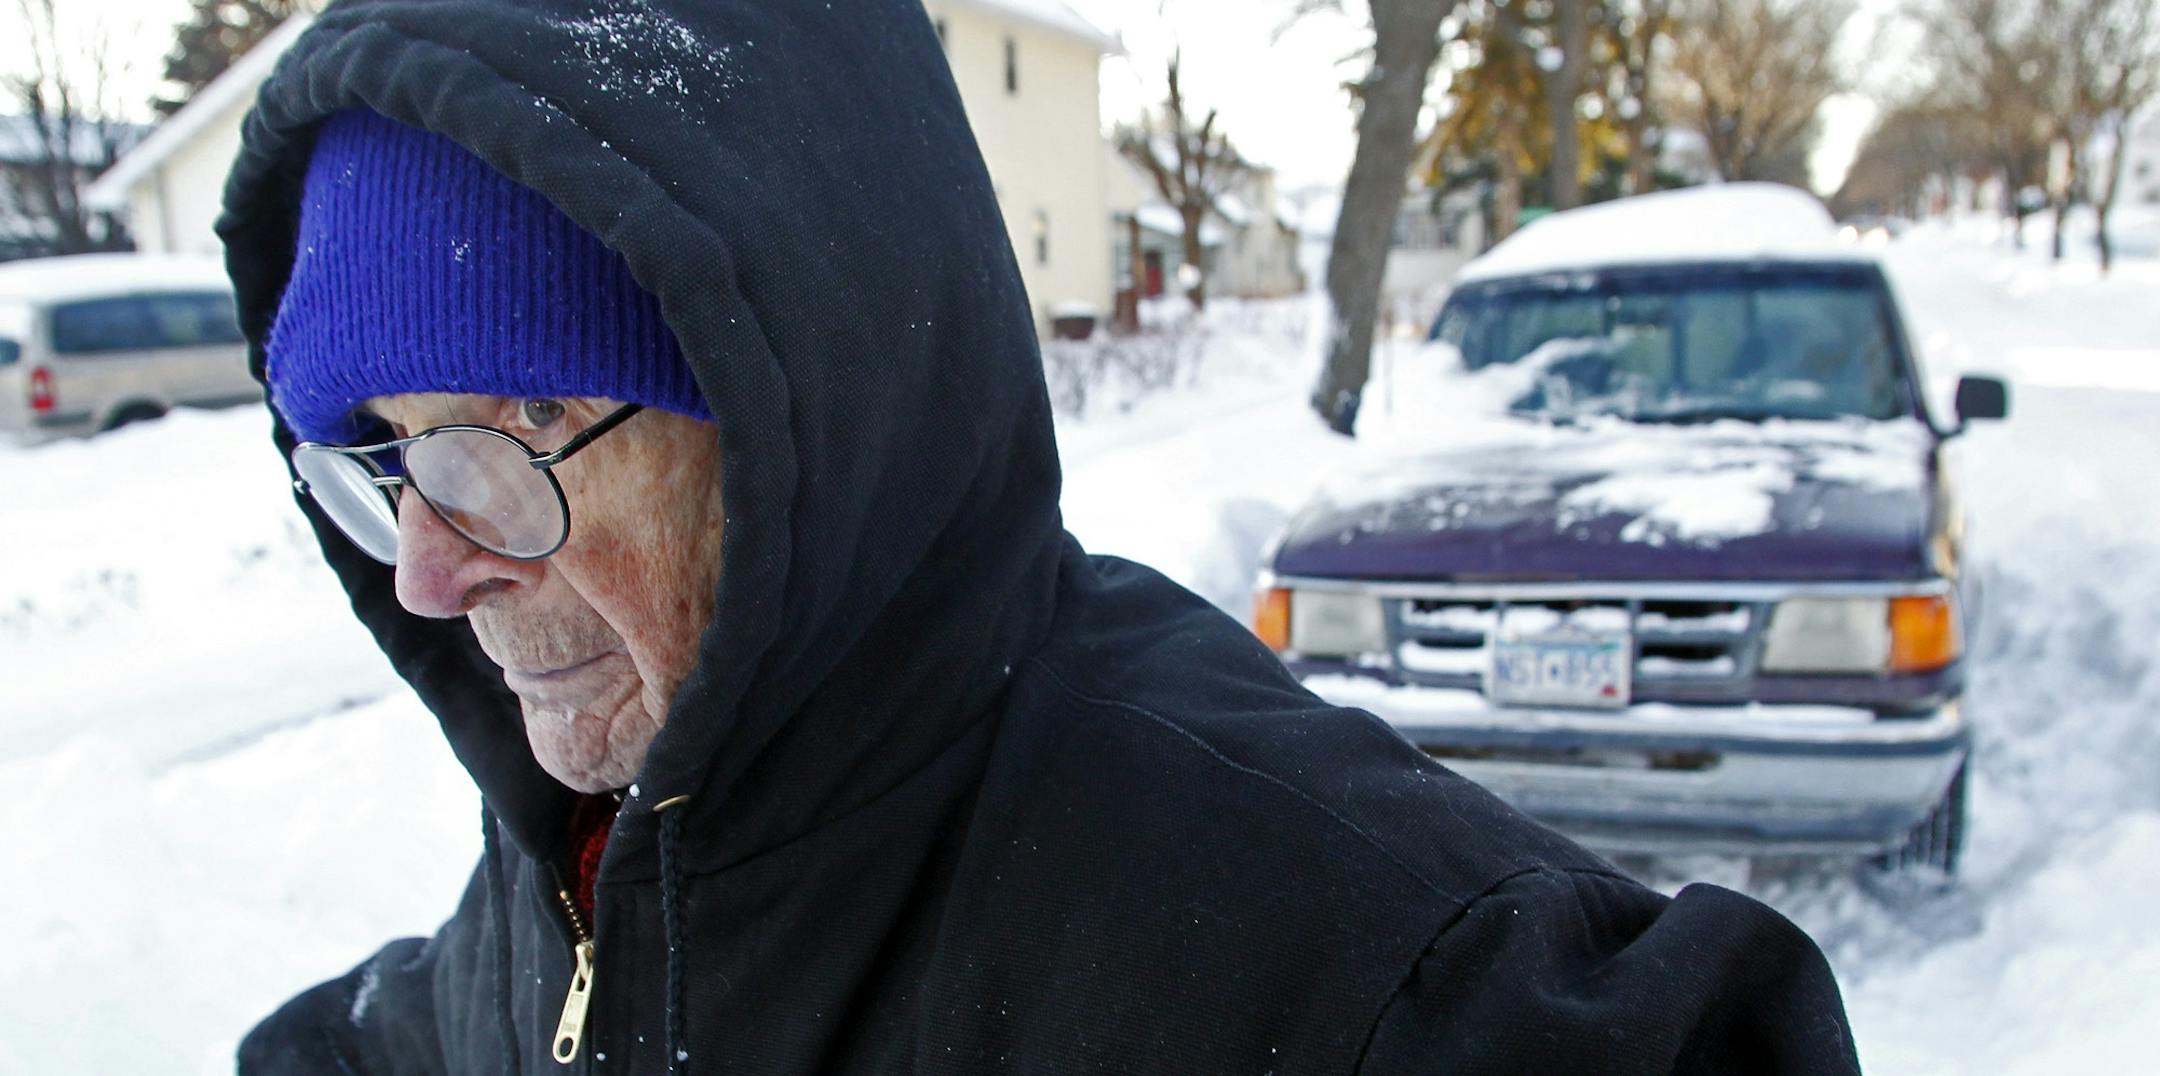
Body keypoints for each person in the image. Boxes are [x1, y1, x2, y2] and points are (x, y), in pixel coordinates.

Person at [226, 1, 1860, 1072]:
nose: (428, 568)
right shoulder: (600, 852)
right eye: (378, 459)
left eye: (497, 442)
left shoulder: (1331, 958)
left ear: (806, 419)